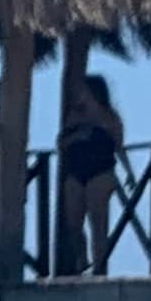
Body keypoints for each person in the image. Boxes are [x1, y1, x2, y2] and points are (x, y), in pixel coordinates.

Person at [56, 54, 124, 276]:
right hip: (76, 170)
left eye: (82, 91)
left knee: (98, 222)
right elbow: (61, 142)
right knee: (73, 223)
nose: (78, 95)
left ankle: (100, 267)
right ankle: (82, 259)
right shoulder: (74, 116)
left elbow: (119, 145)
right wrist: (77, 135)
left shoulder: (109, 116)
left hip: (101, 169)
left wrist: (128, 173)